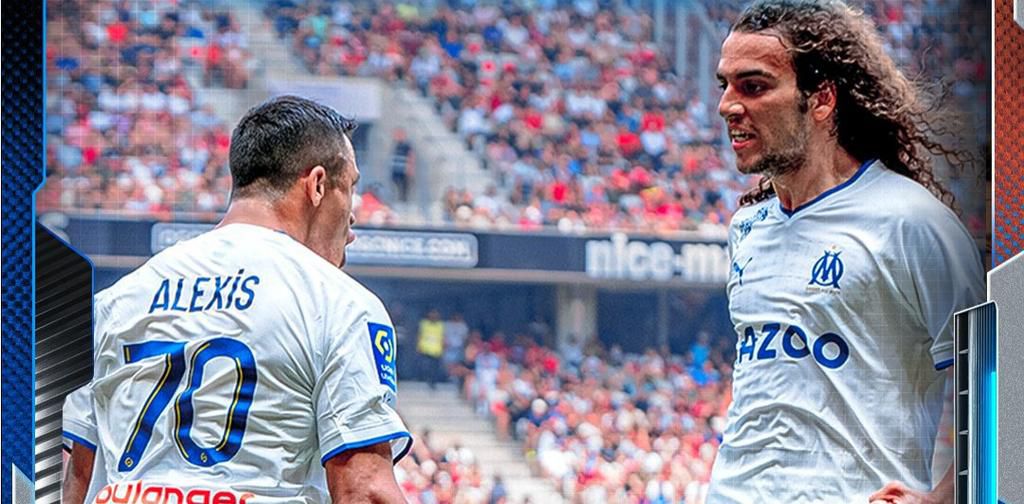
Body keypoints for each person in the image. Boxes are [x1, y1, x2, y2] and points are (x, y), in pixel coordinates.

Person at [61, 95, 411, 503]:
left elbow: (80, 478)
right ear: (317, 185)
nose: (352, 220)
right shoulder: (338, 303)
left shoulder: (115, 302)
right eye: (349, 188)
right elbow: (363, 489)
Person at [707, 1, 984, 503]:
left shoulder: (911, 222)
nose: (728, 105)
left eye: (753, 86)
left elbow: (1001, 381)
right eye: (724, 85)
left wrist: (942, 498)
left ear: (821, 99)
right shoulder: (748, 227)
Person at [416, 308, 445, 388]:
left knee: (434, 368)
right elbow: (420, 335)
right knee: (425, 367)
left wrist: (443, 347)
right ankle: (425, 379)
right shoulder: (424, 324)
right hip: (425, 349)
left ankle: (433, 382)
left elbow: (442, 337)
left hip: (436, 350)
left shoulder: (440, 325)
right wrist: (418, 346)